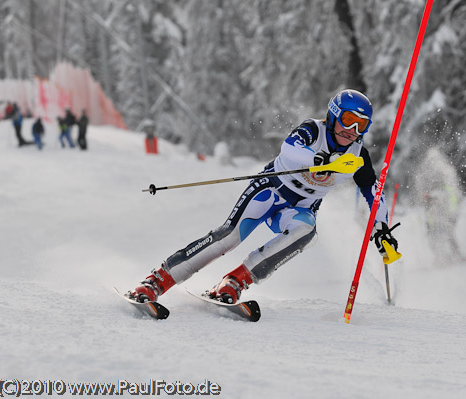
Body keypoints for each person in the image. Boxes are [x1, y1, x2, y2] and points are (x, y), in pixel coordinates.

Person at [128, 89, 400, 304]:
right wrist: (321, 160)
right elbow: (289, 149)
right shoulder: (312, 130)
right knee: (229, 238)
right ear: (333, 116)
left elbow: (373, 194)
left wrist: (381, 229)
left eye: (361, 125)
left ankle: (235, 281)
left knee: (306, 232)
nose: (351, 131)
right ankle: (158, 280)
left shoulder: (357, 155)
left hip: (299, 209)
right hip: (269, 190)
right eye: (348, 120)